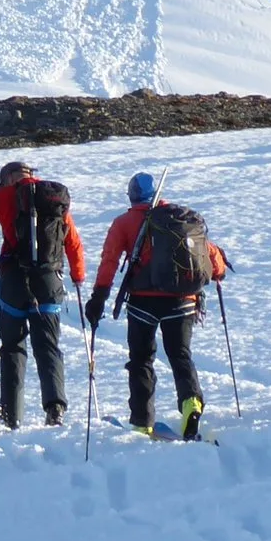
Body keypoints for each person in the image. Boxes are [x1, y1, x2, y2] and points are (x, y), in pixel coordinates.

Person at [87, 172, 232, 439]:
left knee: (141, 360)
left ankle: (142, 422)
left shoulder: (124, 223)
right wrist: (219, 272)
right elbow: (208, 252)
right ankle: (191, 403)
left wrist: (99, 297)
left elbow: (109, 261)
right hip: (183, 301)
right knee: (180, 355)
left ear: (131, 196)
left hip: (143, 303)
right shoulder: (178, 218)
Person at [0, 159, 85, 427]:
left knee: (13, 346)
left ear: (9, 177)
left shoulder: (5, 195)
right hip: (49, 280)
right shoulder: (54, 199)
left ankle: (12, 415)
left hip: (14, 280)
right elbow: (72, 241)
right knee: (47, 346)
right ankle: (55, 407)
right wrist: (77, 276)